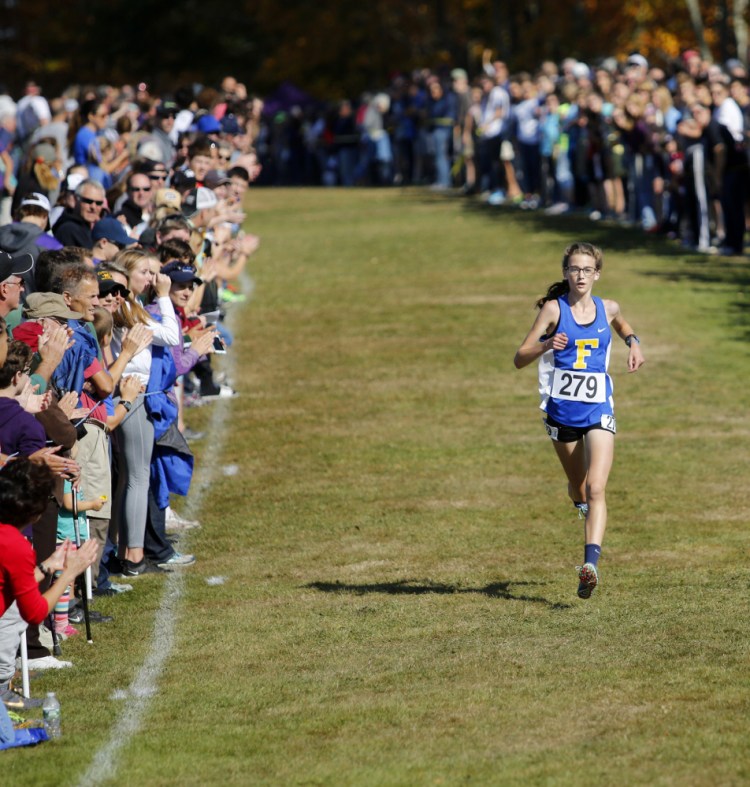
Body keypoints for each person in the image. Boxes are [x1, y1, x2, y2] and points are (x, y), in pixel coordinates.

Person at [513, 242, 645, 599]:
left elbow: (620, 322)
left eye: (587, 270)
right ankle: (578, 500)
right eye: (574, 269)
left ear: (597, 274)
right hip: (561, 412)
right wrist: (545, 345)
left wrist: (633, 341)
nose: (581, 275)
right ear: (565, 273)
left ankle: (590, 566)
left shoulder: (608, 307)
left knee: (599, 488)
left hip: (598, 407)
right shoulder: (553, 310)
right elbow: (519, 357)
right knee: (582, 488)